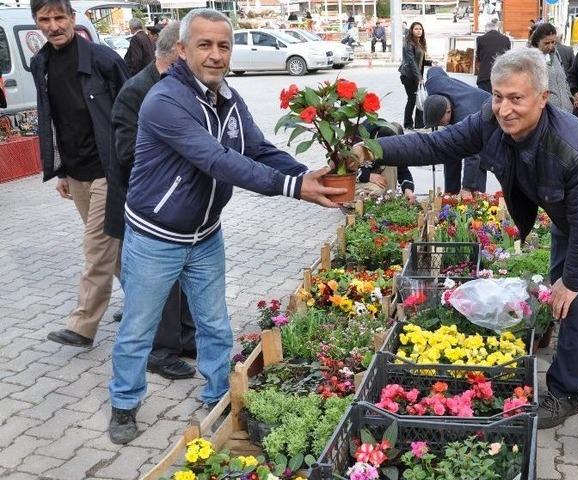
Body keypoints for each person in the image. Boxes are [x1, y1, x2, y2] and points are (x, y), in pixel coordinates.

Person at [351, 48, 578, 429]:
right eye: (498, 96)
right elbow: (434, 145)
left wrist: (572, 284)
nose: (504, 109)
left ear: (544, 98)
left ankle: (567, 393)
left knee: (571, 299)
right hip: (569, 215)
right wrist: (372, 149)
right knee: (571, 294)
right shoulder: (491, 121)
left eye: (516, 98)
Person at [107, 8, 346, 444]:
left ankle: (220, 394)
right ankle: (124, 403)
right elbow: (218, 160)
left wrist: (312, 177)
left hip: (204, 236)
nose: (216, 55)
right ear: (181, 50)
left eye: (223, 45)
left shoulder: (228, 98)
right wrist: (294, 188)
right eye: (204, 45)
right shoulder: (163, 101)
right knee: (138, 328)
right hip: (154, 237)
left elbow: (256, 148)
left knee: (214, 323)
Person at [30, 0, 129, 348]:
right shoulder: (39, 63)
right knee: (115, 248)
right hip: (76, 173)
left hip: (108, 169)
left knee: (96, 245)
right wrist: (60, 172)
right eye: (45, 19)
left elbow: (132, 111)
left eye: (60, 17)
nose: (54, 25)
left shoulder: (103, 59)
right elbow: (54, 120)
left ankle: (83, 325)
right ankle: (147, 305)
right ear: (36, 22)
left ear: (72, 18)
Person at [106, 22, 197, 380]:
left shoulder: (186, 86)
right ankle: (159, 351)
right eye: (198, 47)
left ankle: (185, 338)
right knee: (157, 282)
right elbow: (128, 154)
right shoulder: (137, 91)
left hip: (183, 203)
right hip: (148, 206)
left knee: (186, 277)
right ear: (179, 50)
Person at [421, 66, 489, 196]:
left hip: (487, 116)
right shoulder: (434, 86)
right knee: (451, 150)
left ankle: (476, 198)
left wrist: (467, 186)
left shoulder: (464, 116)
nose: (440, 126)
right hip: (464, 106)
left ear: (448, 111)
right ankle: (451, 194)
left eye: (440, 122)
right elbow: (434, 70)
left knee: (479, 162)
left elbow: (473, 156)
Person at [355, 122, 416, 202]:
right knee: (377, 191)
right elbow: (346, 171)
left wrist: (408, 190)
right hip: (358, 181)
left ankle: (388, 199)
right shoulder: (360, 139)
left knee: (391, 164)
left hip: (379, 182)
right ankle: (358, 201)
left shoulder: (396, 149)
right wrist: (368, 176)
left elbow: (403, 172)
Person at [529, 22, 574, 112]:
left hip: (565, 110)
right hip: (546, 111)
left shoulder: (555, 54)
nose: (550, 46)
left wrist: (570, 97)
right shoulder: (530, 59)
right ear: (537, 41)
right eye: (546, 43)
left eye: (553, 42)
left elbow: (563, 78)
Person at [399, 22, 432, 130]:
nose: (419, 31)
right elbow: (412, 62)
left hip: (417, 75)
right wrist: (419, 78)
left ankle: (420, 124)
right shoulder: (409, 44)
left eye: (420, 29)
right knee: (412, 99)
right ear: (411, 31)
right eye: (416, 29)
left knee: (420, 98)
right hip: (408, 75)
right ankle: (408, 124)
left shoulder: (419, 43)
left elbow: (420, 61)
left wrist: (430, 63)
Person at [475, 19, 511, 93]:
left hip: (484, 76)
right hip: (501, 76)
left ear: (486, 30)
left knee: (484, 100)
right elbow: (508, 58)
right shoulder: (506, 39)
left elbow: (478, 58)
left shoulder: (480, 39)